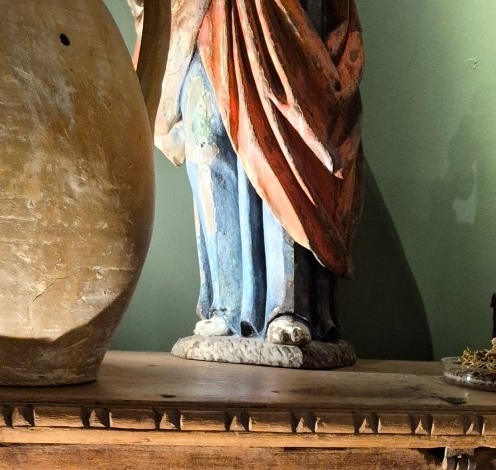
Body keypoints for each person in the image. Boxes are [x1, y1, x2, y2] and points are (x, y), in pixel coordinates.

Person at [131, 0, 364, 347]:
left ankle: (287, 306)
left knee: (277, 147)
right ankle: (226, 304)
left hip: (276, 21)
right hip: (199, 19)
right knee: (207, 143)